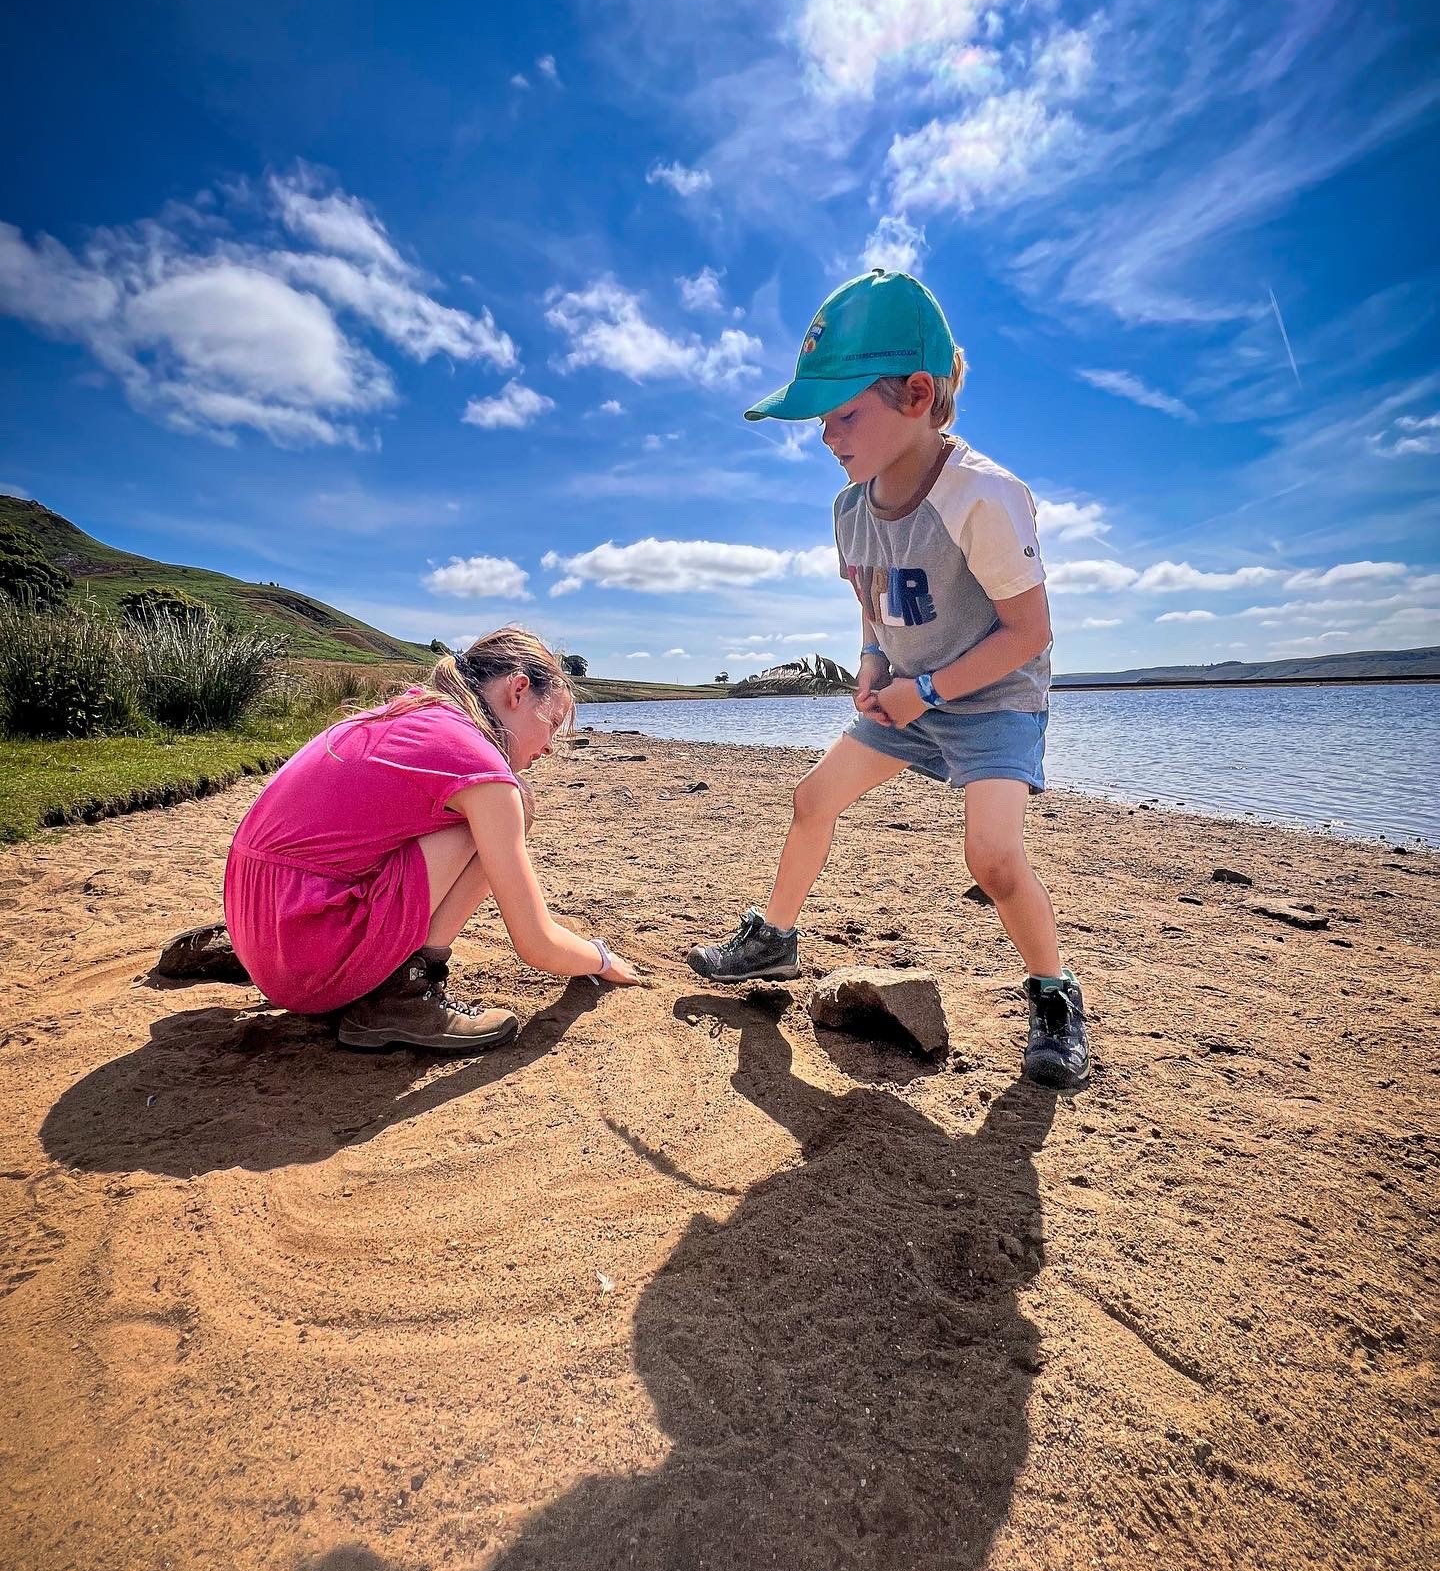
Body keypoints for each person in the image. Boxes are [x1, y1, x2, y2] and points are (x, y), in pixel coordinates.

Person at [687, 269, 1089, 1089]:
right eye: (822, 418)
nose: (826, 435)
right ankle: (776, 938)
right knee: (812, 800)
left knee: (995, 860)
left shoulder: (984, 496)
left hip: (992, 695)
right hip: (906, 691)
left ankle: (1056, 997)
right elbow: (875, 605)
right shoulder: (849, 506)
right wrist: (875, 665)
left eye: (844, 414)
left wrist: (930, 691)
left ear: (916, 395)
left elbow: (1031, 633)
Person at [224, 627, 639, 1053]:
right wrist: (601, 959)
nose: (550, 746)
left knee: (483, 807)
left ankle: (368, 972)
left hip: (256, 921)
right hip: (304, 956)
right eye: (552, 723)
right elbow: (537, 944)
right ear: (517, 691)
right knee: (514, 803)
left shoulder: (409, 713)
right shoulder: (475, 759)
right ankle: (402, 995)